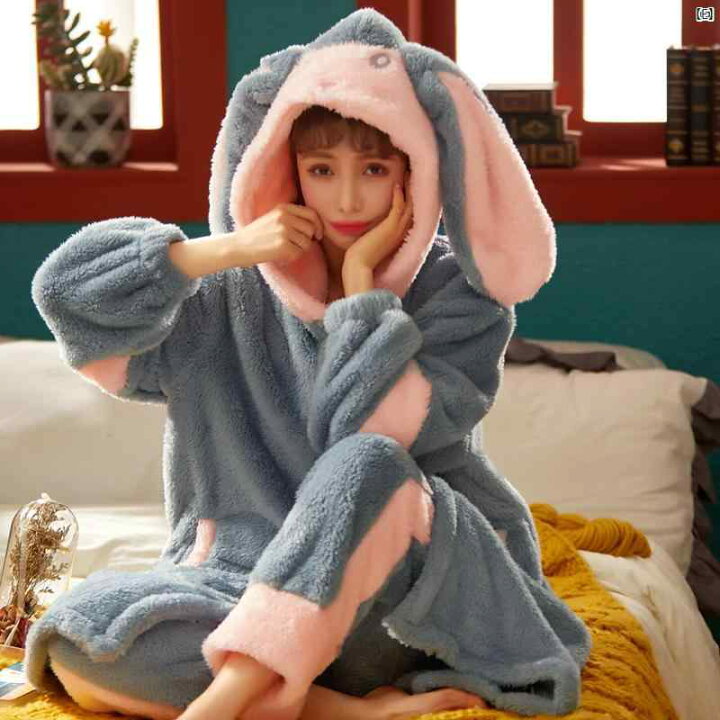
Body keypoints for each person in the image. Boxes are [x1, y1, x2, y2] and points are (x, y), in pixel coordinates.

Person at [25, 9, 591, 720]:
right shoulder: (229, 294)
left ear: (415, 174)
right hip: (237, 591)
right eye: (322, 170)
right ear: (285, 169)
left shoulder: (461, 299)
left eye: (375, 169)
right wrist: (222, 250)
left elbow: (362, 436)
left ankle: (219, 707)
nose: (348, 198)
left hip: (402, 609)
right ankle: (334, 709)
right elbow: (67, 297)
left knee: (369, 463)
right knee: (84, 637)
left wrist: (360, 293)